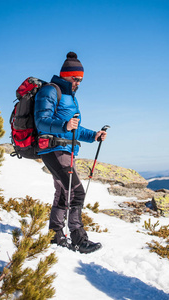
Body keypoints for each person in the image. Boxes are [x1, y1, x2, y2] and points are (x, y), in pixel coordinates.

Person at [34, 52, 107, 254]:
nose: (78, 83)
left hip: (66, 149)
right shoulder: (50, 91)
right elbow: (41, 121)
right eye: (75, 78)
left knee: (63, 192)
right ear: (65, 75)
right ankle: (78, 239)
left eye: (81, 80)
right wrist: (64, 125)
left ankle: (55, 235)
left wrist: (94, 135)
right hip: (53, 148)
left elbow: (75, 129)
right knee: (76, 192)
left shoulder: (70, 98)